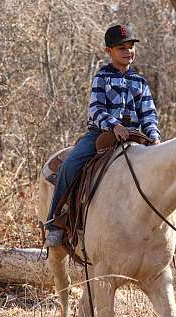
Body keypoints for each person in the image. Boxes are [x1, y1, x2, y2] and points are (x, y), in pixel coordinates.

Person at [44, 24, 161, 247]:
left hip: (135, 136)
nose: (128, 52)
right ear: (109, 51)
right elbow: (96, 109)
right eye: (121, 48)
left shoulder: (140, 82)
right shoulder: (102, 78)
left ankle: (158, 228)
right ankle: (55, 223)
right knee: (71, 165)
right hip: (102, 133)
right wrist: (113, 125)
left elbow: (148, 114)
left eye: (130, 47)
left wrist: (154, 136)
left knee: (160, 172)